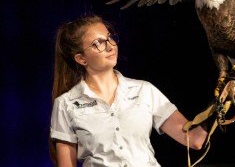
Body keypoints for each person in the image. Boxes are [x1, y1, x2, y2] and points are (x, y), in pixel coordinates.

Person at [48, 14, 210, 167]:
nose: (110, 46)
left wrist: (221, 103)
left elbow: (194, 140)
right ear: (81, 58)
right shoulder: (65, 104)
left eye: (110, 38)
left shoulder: (144, 90)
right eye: (98, 43)